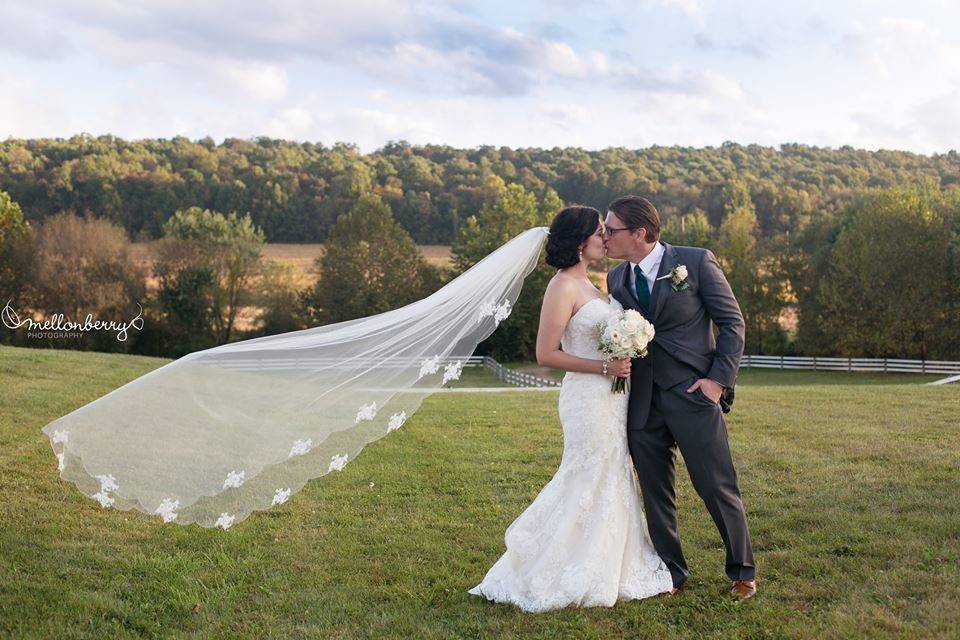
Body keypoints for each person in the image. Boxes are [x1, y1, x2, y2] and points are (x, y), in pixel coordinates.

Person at [467, 205, 674, 612]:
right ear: (581, 243)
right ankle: (556, 565)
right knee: (586, 472)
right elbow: (546, 353)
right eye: (599, 232)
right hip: (587, 397)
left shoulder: (594, 284)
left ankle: (610, 560)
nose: (605, 238)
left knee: (612, 471)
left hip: (613, 397)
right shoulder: (562, 286)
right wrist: (604, 366)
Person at [603, 195, 757, 600]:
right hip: (641, 401)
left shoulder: (695, 261)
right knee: (656, 493)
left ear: (640, 233)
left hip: (693, 394)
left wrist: (716, 382)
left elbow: (732, 323)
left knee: (715, 484)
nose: (604, 236)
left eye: (611, 229)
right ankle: (671, 571)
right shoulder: (616, 278)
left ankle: (742, 571)